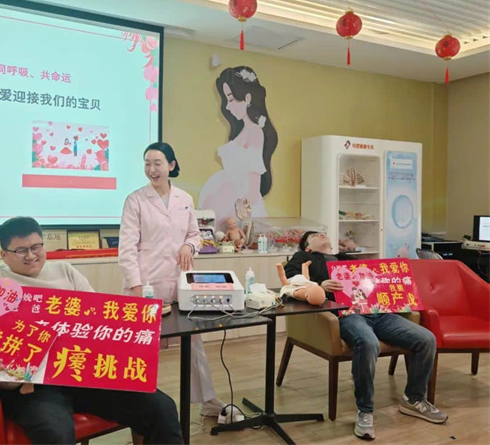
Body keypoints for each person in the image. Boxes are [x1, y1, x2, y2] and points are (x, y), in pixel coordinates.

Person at [0, 216, 183, 445]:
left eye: (36, 247)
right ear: (4, 254)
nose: (31, 256)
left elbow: (97, 318)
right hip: (34, 386)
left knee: (162, 407)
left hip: (84, 372)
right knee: (55, 434)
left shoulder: (65, 271)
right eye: (21, 250)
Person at [284, 231, 448, 440]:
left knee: (426, 339)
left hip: (378, 312)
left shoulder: (345, 258)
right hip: (347, 315)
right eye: (316, 234)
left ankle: (413, 399)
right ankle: (365, 410)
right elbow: (289, 279)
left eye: (324, 233)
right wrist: (318, 285)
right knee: (369, 343)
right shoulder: (303, 258)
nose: (322, 234)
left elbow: (373, 279)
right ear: (307, 247)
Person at [119, 142, 226, 417]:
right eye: (147, 163)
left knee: (194, 342)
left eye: (157, 163)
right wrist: (137, 288)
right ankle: (136, 406)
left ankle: (207, 400)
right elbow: (127, 248)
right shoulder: (135, 200)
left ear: (171, 165)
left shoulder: (185, 199)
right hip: (146, 284)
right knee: (142, 349)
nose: (151, 169)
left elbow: (194, 235)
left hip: (179, 282)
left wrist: (189, 246)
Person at [198, 66, 278, 231]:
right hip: (228, 199)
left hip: (238, 206)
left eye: (231, 99)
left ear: (247, 98)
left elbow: (253, 190)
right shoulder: (241, 132)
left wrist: (236, 212)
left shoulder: (255, 132)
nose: (227, 106)